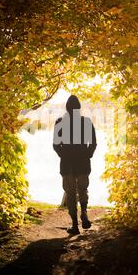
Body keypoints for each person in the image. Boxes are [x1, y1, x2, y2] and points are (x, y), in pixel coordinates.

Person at [53, 95, 97, 235]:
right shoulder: (86, 122)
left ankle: (74, 225)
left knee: (71, 193)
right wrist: (88, 154)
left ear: (67, 107)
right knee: (83, 190)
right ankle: (84, 212)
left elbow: (55, 145)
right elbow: (93, 143)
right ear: (79, 107)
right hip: (83, 163)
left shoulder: (60, 122)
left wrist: (63, 155)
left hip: (67, 164)